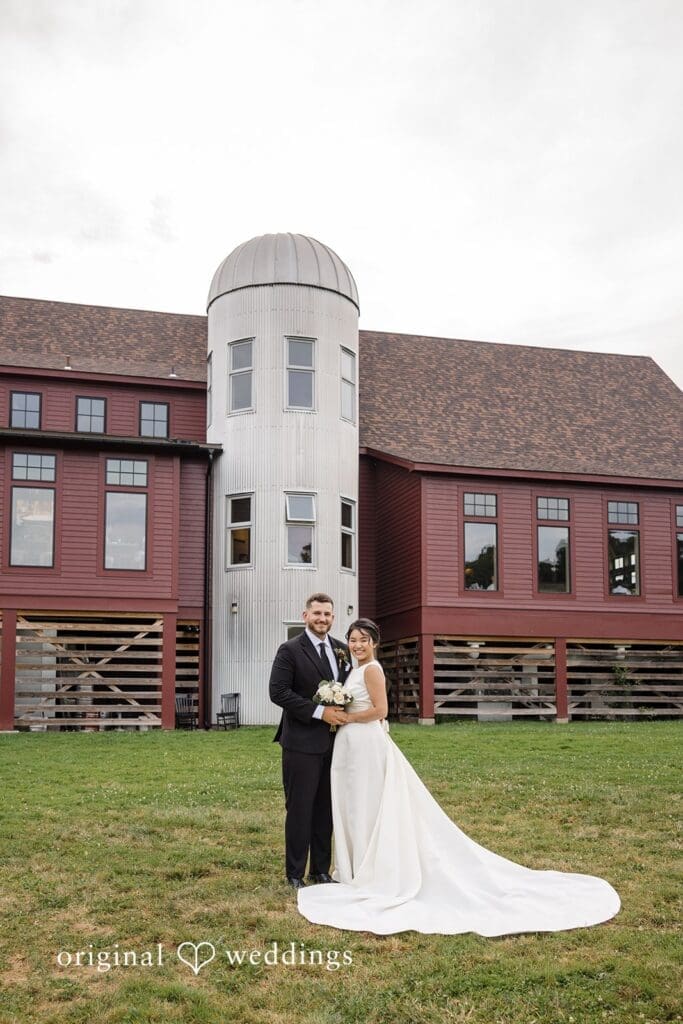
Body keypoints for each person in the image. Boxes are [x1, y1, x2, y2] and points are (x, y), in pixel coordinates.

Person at [297, 618, 621, 936]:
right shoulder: (352, 669)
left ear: (374, 643)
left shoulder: (372, 669)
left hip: (366, 743)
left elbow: (380, 711)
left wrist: (346, 716)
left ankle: (373, 869)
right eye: (353, 640)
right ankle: (355, 868)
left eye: (363, 640)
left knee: (369, 804)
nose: (357, 645)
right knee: (355, 805)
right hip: (350, 746)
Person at [269, 593, 351, 889]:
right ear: (305, 616)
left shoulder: (342, 650)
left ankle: (321, 869)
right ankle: (294, 874)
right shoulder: (290, 650)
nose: (322, 619)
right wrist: (320, 712)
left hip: (336, 745)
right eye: (317, 613)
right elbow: (278, 692)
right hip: (301, 742)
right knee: (301, 809)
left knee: (326, 809)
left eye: (327, 614)